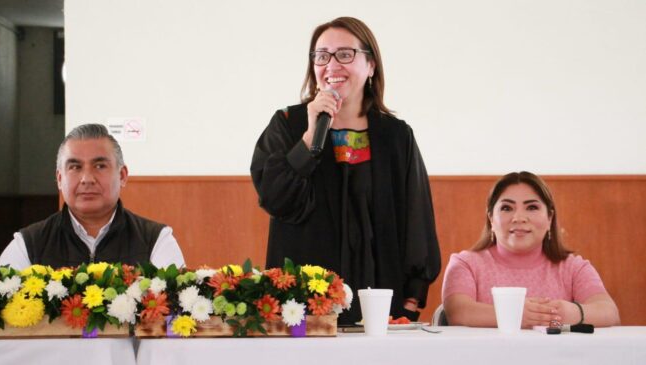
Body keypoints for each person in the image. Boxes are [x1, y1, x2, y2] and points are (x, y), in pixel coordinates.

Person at [250, 17, 440, 324]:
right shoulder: (288, 124)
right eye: (322, 56)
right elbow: (275, 198)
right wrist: (310, 137)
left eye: (345, 54)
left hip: (380, 299)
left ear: (371, 65)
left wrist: (413, 295)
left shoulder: (396, 135)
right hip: (304, 303)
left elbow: (416, 217)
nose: (332, 65)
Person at [442, 171, 620, 328]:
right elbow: (457, 312)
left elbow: (609, 312)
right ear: (490, 218)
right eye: (507, 208)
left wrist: (569, 314)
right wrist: (515, 316)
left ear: (550, 217)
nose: (519, 217)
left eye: (532, 207)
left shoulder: (574, 267)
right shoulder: (465, 264)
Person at [0, 123, 185, 269]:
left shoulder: (156, 241)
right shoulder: (29, 244)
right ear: (60, 179)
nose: (87, 179)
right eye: (75, 167)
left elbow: (176, 314)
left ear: (122, 175)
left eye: (100, 166)